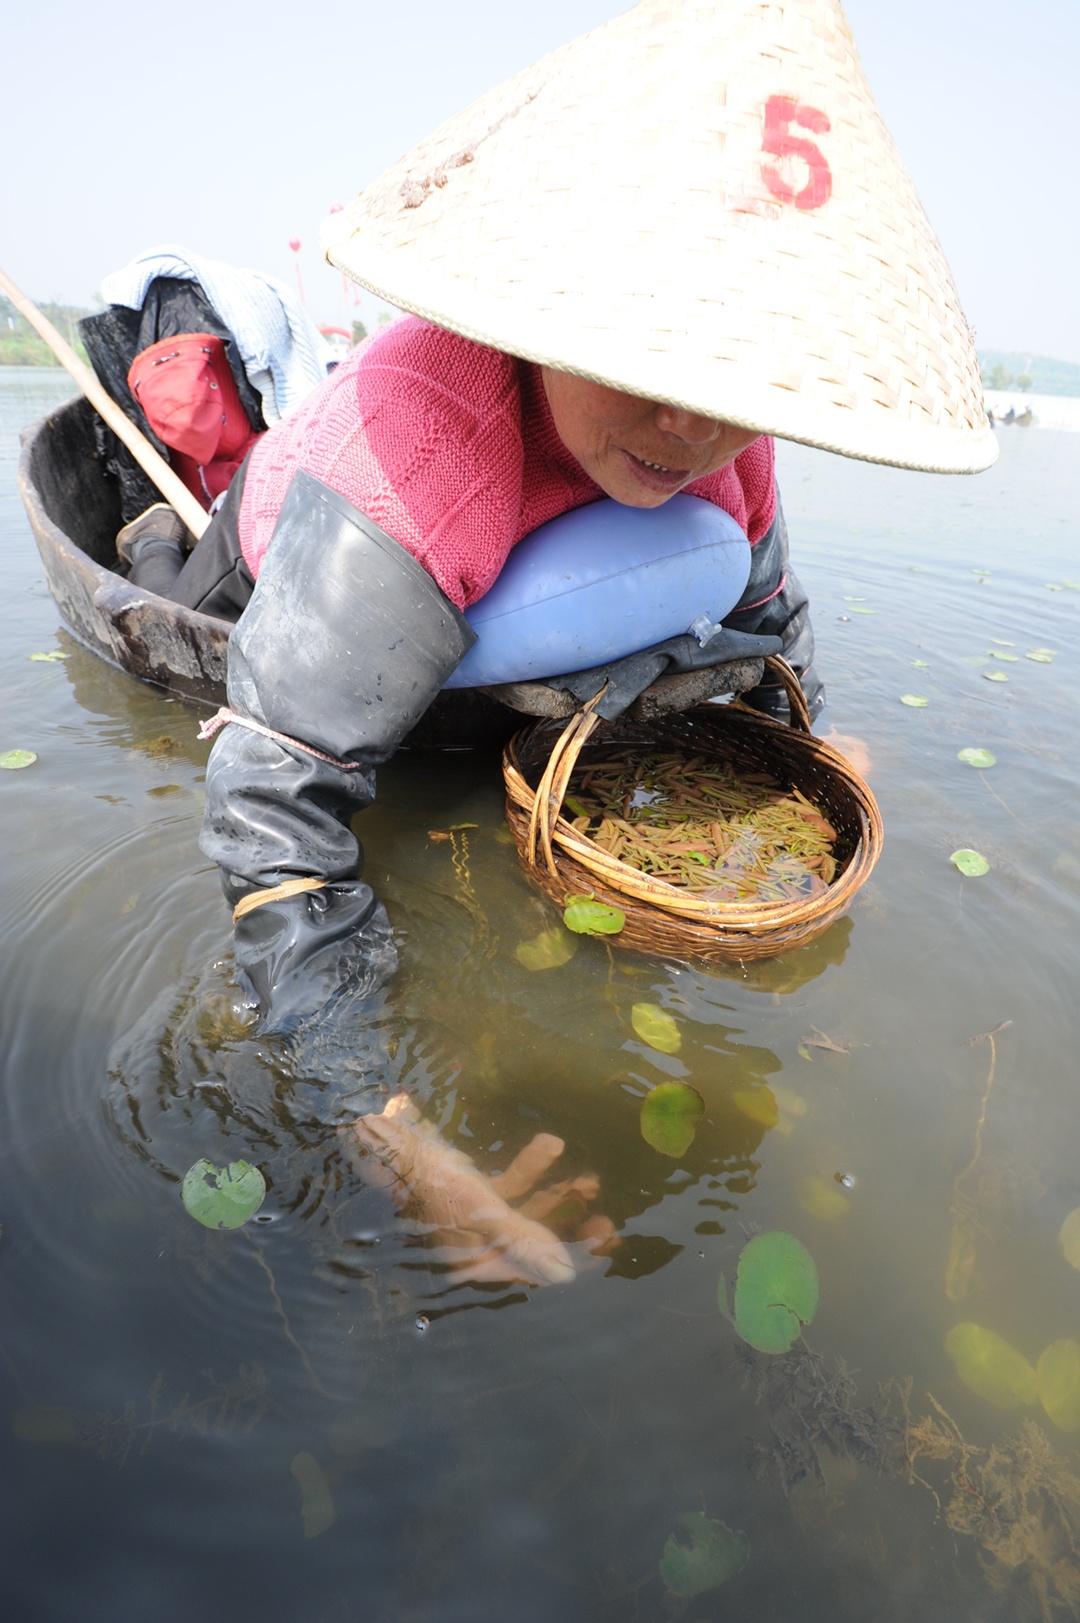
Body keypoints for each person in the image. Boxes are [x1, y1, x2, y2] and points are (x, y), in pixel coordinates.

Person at [127, 0, 996, 1284]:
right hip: (283, 547)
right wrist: (385, 1122)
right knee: (179, 599)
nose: (686, 423)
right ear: (554, 305)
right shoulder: (427, 457)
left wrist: (818, 732)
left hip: (483, 566)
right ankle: (158, 524)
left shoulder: (725, 447)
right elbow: (269, 808)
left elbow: (768, 620)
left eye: (733, 377)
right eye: (650, 351)